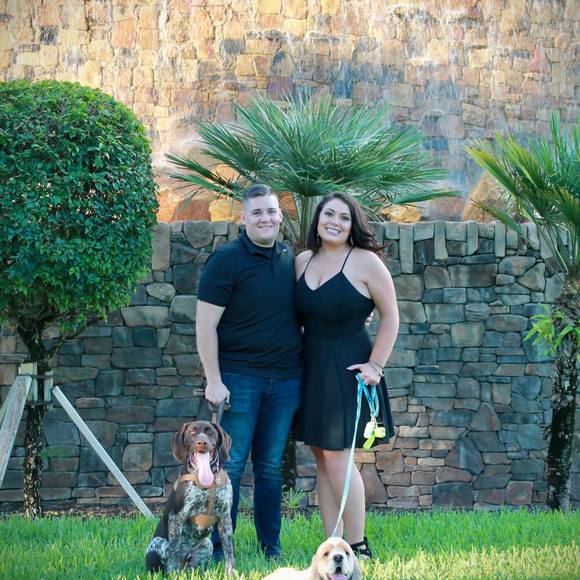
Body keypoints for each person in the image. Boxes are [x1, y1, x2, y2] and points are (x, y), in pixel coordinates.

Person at [196, 184, 303, 559]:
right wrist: (214, 380)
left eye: (271, 211)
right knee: (233, 465)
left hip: (286, 381)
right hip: (239, 379)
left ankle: (271, 547)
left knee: (271, 467)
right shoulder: (226, 261)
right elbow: (205, 325)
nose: (265, 218)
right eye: (257, 212)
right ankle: (218, 548)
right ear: (243, 218)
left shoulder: (289, 258)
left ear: (280, 216)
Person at [293, 192, 399, 559]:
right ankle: (332, 544)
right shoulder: (302, 261)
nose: (334, 222)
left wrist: (376, 365)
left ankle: (358, 545)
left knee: (339, 457)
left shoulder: (366, 262)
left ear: (353, 225)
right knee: (322, 458)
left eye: (343, 217)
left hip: (349, 368)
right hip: (311, 366)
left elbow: (391, 315)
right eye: (328, 214)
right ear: (318, 219)